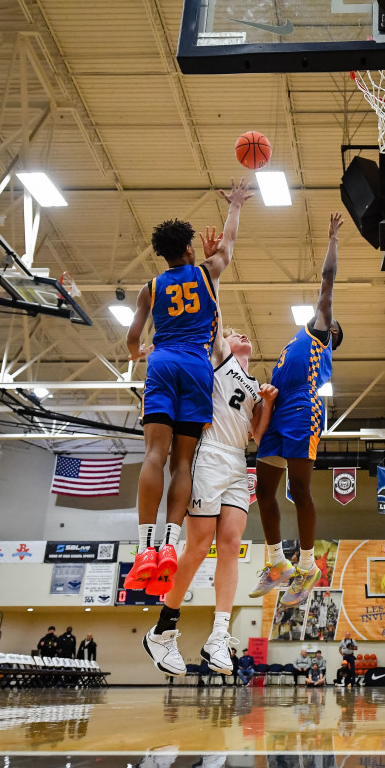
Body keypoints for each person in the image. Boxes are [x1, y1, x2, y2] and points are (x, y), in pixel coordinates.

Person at [124, 179, 252, 596]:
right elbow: (229, 243)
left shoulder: (151, 287)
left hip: (161, 362)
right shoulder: (207, 271)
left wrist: (138, 352)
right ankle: (168, 545)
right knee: (183, 462)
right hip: (197, 367)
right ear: (191, 249)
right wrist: (234, 205)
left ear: (161, 254)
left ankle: (144, 547)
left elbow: (131, 339)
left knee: (153, 454)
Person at [144, 296, 278, 677]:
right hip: (209, 455)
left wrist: (267, 403)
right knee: (200, 544)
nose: (244, 335)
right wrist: (210, 273)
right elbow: (214, 317)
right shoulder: (219, 358)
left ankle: (219, 635)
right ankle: (163, 628)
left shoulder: (253, 383)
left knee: (233, 544)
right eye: (238, 333)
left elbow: (256, 435)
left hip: (238, 460)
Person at [251, 212, 345, 610]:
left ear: (332, 332)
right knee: (263, 489)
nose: (323, 312)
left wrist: (332, 240)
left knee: (300, 488)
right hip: (282, 407)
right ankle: (276, 561)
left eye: (329, 316)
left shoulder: (321, 333)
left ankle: (308, 565)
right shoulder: (295, 341)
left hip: (304, 407)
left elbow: (327, 281)